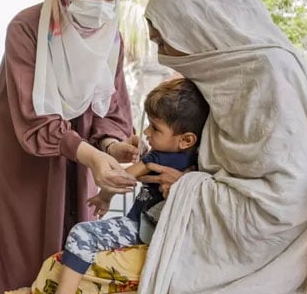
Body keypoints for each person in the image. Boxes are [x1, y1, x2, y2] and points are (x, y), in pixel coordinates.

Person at [136, 0, 307, 293]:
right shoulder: (228, 76)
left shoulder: (270, 71)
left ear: (194, 29)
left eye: (162, 41)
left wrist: (187, 189)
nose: (162, 55)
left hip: (265, 243)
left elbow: (283, 203)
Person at [0, 0, 140, 294]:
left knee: (70, 226)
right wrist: (90, 153)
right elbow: (33, 116)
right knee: (22, 237)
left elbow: (109, 107)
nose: (100, 6)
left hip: (80, 149)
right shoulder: (27, 28)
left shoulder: (111, 39)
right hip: (23, 145)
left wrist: (111, 147)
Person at [55, 78, 210, 294]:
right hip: (164, 233)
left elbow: (120, 177)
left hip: (143, 228)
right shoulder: (194, 161)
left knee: (82, 234)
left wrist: (104, 197)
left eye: (155, 129)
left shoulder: (160, 158)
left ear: (186, 139)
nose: (146, 132)